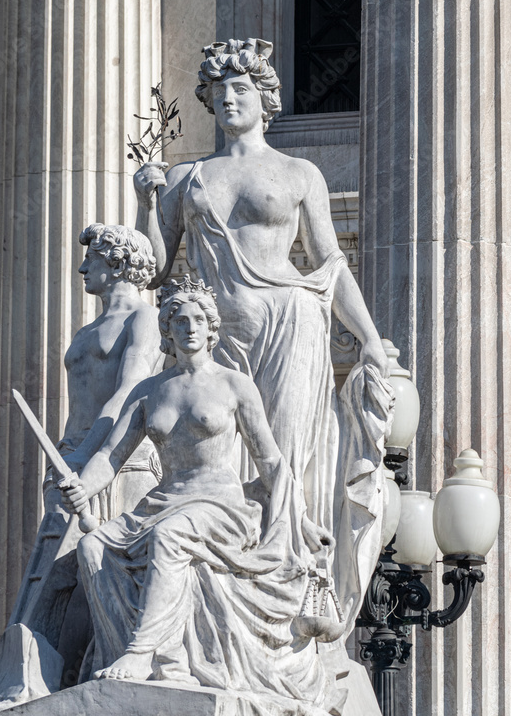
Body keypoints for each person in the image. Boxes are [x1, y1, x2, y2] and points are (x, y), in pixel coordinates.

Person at [133, 39, 393, 632]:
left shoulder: (299, 173)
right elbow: (155, 266)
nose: (228, 100)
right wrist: (145, 199)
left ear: (264, 100)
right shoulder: (185, 176)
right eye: (218, 93)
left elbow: (330, 263)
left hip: (291, 322)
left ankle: (288, 583)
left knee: (283, 456)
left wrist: (370, 339)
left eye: (240, 90)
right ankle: (218, 581)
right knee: (215, 454)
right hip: (211, 332)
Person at [61, 277, 330, 709]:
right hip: (163, 500)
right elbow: (111, 457)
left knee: (170, 535)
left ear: (211, 328)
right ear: (166, 328)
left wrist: (299, 518)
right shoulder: (148, 391)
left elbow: (272, 461)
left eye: (198, 320)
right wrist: (81, 486)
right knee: (93, 547)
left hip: (219, 505)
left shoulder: (234, 385)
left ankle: (141, 651)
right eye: (179, 319)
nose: (189, 327)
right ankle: (139, 658)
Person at [0, 225, 164, 712]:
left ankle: (111, 667)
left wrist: (91, 458)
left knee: (108, 565)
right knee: (60, 573)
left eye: (94, 259)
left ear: (119, 262)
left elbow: (130, 391)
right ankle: (47, 678)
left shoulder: (145, 318)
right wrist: (68, 455)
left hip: (119, 459)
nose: (83, 268)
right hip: (71, 454)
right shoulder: (86, 330)